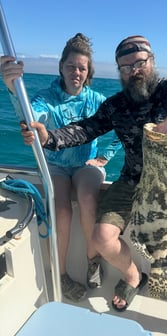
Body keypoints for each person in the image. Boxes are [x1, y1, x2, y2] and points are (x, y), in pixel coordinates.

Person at [15, 34, 167, 335]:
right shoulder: (115, 105)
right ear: (118, 70)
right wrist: (49, 138)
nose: (133, 71)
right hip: (131, 181)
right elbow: (86, 129)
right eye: (125, 67)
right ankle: (131, 276)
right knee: (102, 238)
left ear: (152, 62)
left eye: (139, 63)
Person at [0, 33, 122, 302]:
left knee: (88, 199)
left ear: (88, 72)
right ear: (61, 67)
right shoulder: (48, 96)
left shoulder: (98, 100)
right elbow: (30, 116)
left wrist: (105, 156)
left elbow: (121, 129)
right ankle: (62, 273)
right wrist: (11, 86)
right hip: (54, 164)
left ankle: (93, 260)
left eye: (81, 68)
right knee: (61, 210)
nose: (76, 72)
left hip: (85, 164)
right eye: (71, 66)